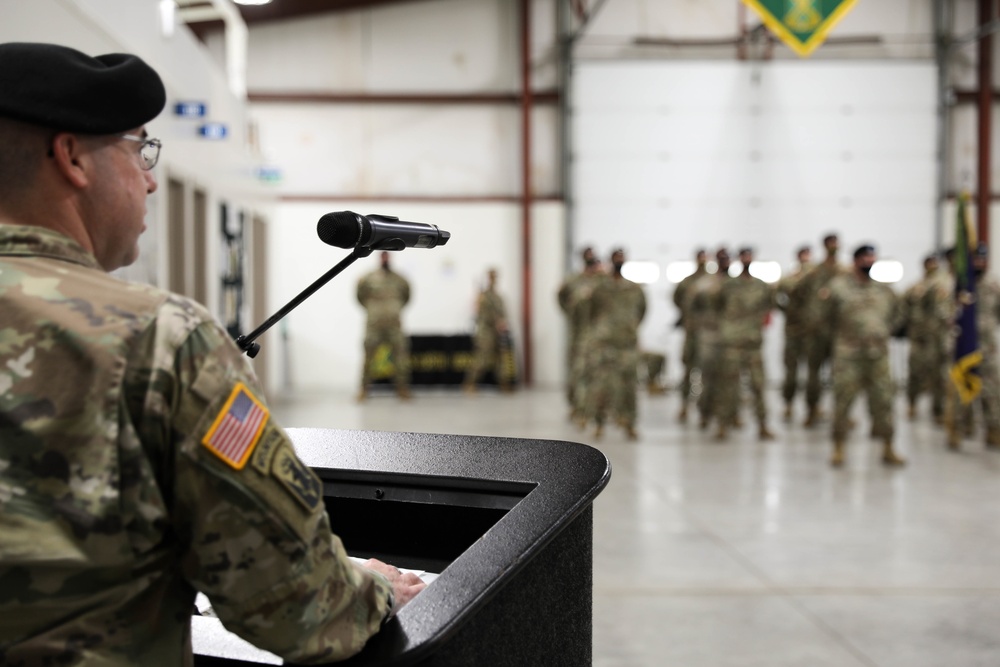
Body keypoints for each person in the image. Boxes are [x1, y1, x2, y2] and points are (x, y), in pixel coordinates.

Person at [0, 42, 424, 665]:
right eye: (137, 148)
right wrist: (373, 590)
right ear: (71, 158)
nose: (149, 177)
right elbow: (296, 604)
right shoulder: (158, 340)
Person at [826, 245, 906, 467]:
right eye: (864, 258)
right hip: (848, 356)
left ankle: (888, 446)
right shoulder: (838, 288)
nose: (869, 262)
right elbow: (825, 319)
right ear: (855, 261)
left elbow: (897, 316)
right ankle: (838, 447)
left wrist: (883, 333)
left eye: (872, 258)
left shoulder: (884, 290)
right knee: (842, 403)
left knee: (884, 402)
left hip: (877, 356)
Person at [581, 248, 646, 439]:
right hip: (604, 344)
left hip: (626, 344)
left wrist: (629, 329)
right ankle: (599, 423)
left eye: (622, 258)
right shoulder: (600, 288)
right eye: (616, 258)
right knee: (602, 386)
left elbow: (641, 312)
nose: (619, 261)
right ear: (611, 260)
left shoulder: (634, 289)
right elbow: (589, 311)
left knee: (628, 386)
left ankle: (629, 423)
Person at [715, 247, 776, 441]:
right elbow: (717, 306)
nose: (746, 259)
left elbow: (768, 307)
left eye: (749, 256)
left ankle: (763, 425)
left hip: (752, 344)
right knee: (727, 387)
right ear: (738, 259)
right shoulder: (728, 285)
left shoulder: (761, 286)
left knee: (758, 386)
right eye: (743, 256)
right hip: (732, 343)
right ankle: (723, 424)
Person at [793, 233, 849, 427]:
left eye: (836, 242)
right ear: (824, 245)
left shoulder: (845, 272)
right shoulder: (814, 272)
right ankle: (812, 410)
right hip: (816, 331)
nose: (834, 246)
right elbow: (796, 294)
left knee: (842, 376)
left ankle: (842, 414)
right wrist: (807, 315)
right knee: (813, 375)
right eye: (830, 243)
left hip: (839, 332)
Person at [949, 243, 1000, 449]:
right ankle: (957, 429)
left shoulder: (993, 287)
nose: (979, 263)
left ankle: (993, 429)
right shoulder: (958, 286)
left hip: (987, 348)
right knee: (960, 389)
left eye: (982, 259)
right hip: (963, 347)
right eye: (976, 259)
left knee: (992, 391)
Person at [902, 254, 952, 422]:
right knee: (915, 372)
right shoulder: (915, 287)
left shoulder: (947, 285)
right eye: (928, 263)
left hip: (939, 338)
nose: (931, 266)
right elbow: (904, 308)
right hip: (919, 338)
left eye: (934, 263)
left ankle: (938, 409)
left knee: (939, 374)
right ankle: (912, 403)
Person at [356, 250, 412, 401]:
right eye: (383, 256)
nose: (385, 258)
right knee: (368, 358)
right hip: (374, 324)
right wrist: (374, 309)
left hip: (394, 325)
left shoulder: (400, 279)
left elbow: (407, 296)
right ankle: (363, 390)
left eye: (387, 256)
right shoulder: (368, 278)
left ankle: (402, 389)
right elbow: (360, 296)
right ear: (379, 258)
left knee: (401, 358)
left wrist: (394, 308)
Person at [558, 246, 601, 420]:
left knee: (598, 371)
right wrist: (570, 314)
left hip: (598, 333)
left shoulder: (601, 281)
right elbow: (561, 298)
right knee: (576, 370)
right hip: (578, 333)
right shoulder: (572, 280)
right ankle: (575, 405)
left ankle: (596, 406)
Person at [672, 248, 712, 422]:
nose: (702, 261)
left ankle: (705, 410)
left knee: (707, 372)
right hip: (691, 332)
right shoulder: (687, 282)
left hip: (708, 333)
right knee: (688, 369)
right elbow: (677, 299)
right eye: (700, 257)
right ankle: (684, 406)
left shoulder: (713, 281)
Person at [774, 245, 813, 421]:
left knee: (814, 372)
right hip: (793, 330)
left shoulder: (816, 278)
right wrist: (786, 310)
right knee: (791, 372)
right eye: (803, 255)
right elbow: (774, 296)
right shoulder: (789, 279)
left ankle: (813, 407)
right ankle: (788, 404)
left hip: (812, 331)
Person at [695, 247, 732, 430]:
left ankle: (728, 416)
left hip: (732, 338)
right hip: (710, 335)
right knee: (708, 377)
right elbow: (692, 305)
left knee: (730, 380)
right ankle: (705, 413)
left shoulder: (736, 284)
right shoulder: (705, 283)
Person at [463, 267, 514, 392]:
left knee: (501, 359)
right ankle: (470, 383)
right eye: (491, 276)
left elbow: (503, 313)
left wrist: (503, 324)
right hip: (485, 332)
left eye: (495, 276)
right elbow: (482, 314)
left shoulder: (498, 297)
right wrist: (496, 321)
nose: (493, 279)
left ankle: (504, 383)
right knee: (482, 358)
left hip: (498, 332)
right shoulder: (483, 296)